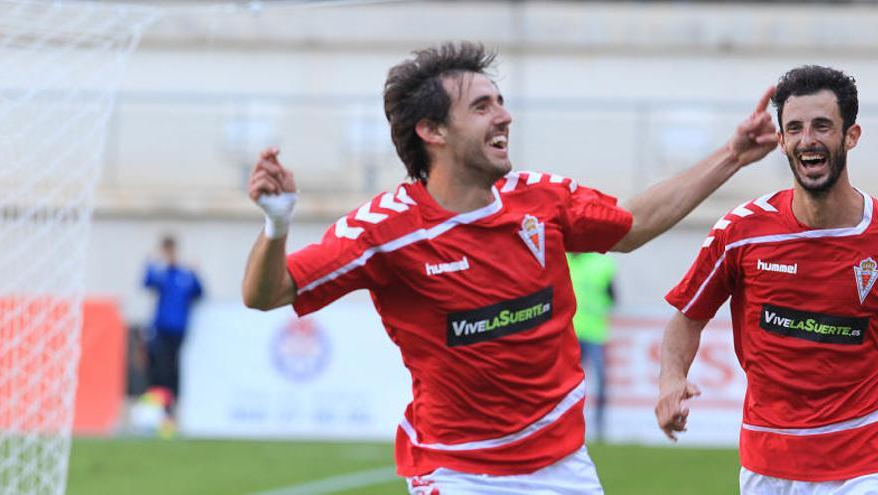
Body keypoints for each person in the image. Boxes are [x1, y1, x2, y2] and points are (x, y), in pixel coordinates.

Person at [243, 42, 776, 494]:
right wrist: (276, 223)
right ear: (432, 131)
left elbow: (631, 226)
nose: (504, 115)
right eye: (481, 107)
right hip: (456, 472)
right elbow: (266, 293)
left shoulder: (540, 199)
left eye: (500, 101)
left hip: (563, 465)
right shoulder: (385, 230)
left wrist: (731, 155)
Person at [656, 65, 878, 494]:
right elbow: (687, 317)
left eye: (822, 126)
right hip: (767, 466)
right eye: (793, 128)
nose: (807, 139)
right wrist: (671, 380)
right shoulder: (740, 233)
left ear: (850, 136)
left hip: (862, 465)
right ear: (780, 141)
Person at [142, 235, 203, 411]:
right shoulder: (162, 273)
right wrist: (150, 263)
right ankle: (158, 407)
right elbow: (146, 283)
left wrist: (196, 272)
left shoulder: (185, 275)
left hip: (179, 330)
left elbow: (200, 293)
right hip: (160, 330)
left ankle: (170, 408)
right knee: (157, 369)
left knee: (173, 370)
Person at [566, 252, 617, 442]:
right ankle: (568, 425)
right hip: (571, 334)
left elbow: (612, 296)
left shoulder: (603, 264)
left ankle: (599, 428)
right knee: (568, 385)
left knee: (599, 383)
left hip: (595, 333)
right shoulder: (563, 258)